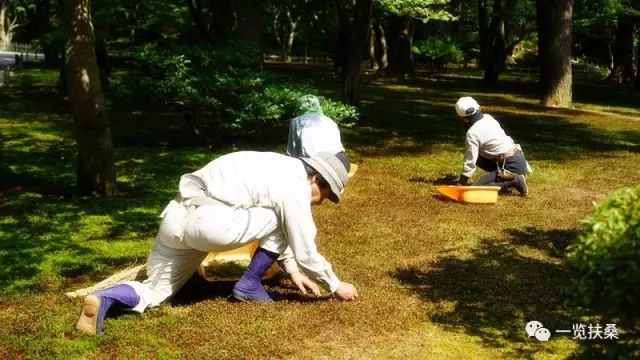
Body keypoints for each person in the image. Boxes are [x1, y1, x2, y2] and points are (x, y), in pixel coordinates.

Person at [76, 151, 359, 336]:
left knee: (157, 290)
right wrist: (335, 284)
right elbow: (304, 245)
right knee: (282, 217)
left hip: (176, 218)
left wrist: (292, 270)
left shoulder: (273, 163)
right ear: (315, 179)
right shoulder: (294, 184)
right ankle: (249, 285)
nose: (321, 202)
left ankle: (105, 299)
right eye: (325, 194)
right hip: (210, 226)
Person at [454, 96, 531, 196]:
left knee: (474, 191)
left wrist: (461, 183)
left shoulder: (472, 133)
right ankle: (504, 176)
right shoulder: (488, 117)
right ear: (479, 108)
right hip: (518, 159)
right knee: (478, 157)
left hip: (510, 165)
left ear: (462, 118)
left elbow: (470, 160)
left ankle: (514, 180)